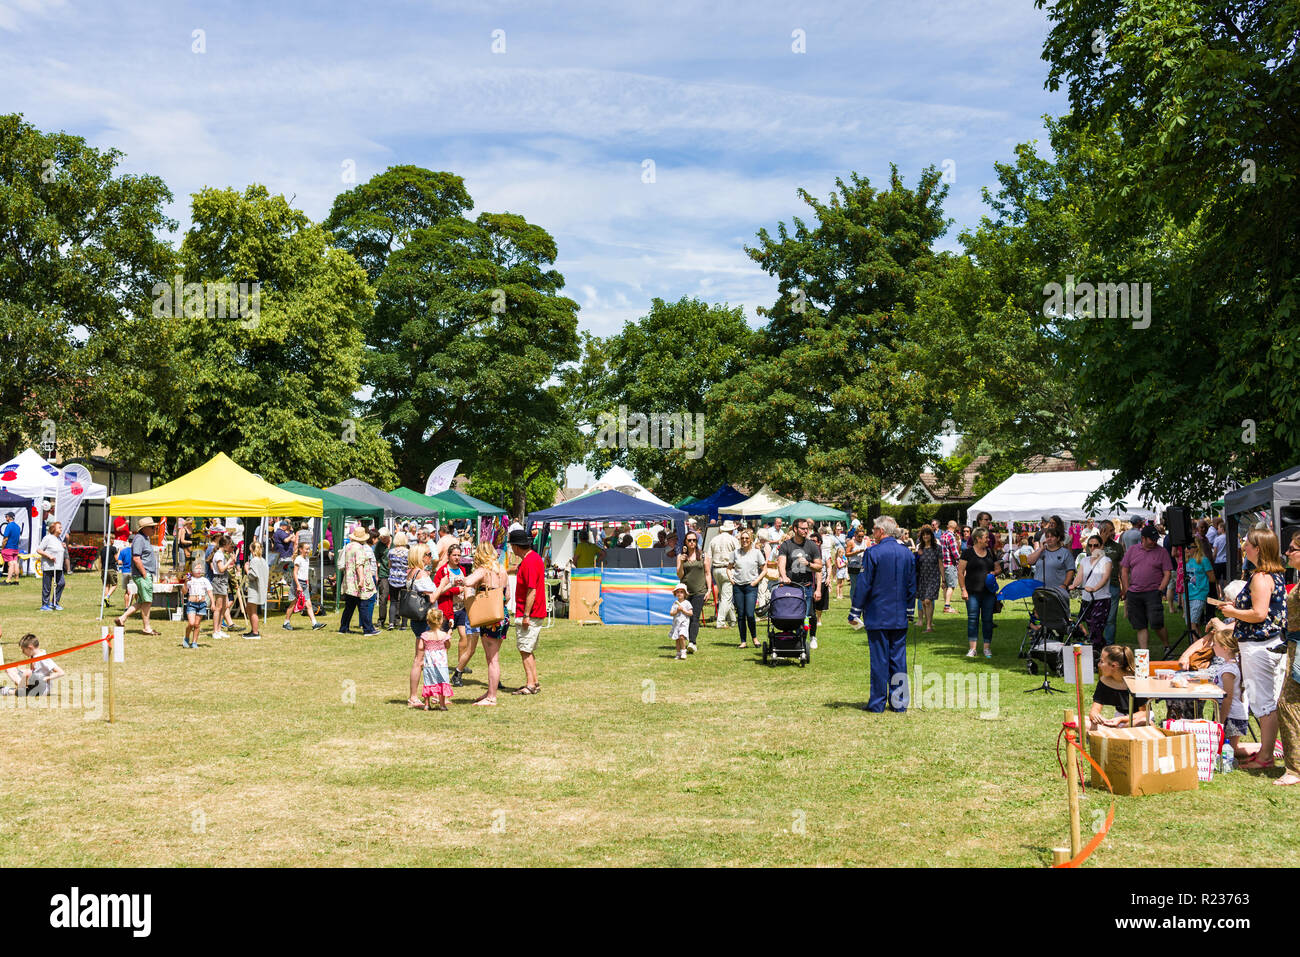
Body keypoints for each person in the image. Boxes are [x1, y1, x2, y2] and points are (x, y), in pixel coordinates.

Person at [1210, 526, 1287, 770]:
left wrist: (1233, 612)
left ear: (1259, 549)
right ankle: (1266, 752)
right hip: (1266, 645)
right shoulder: (1271, 575)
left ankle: (1265, 756)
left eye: (1248, 544)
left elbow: (1259, 613)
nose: (1244, 547)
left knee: (1262, 702)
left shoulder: (1261, 577)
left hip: (1258, 647)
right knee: (1267, 701)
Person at [853, 516, 915, 713]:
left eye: (873, 529)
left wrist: (855, 610)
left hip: (878, 615)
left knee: (879, 659)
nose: (872, 532)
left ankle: (878, 703)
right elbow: (912, 585)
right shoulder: (907, 553)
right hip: (899, 616)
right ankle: (899, 703)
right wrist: (909, 610)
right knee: (899, 659)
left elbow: (864, 584)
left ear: (881, 531)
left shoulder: (873, 552)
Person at [460, 541, 511, 704]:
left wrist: (457, 580)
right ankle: (490, 692)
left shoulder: (484, 569)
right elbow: (508, 595)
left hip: (489, 618)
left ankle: (491, 697)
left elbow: (468, 582)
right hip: (502, 615)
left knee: (492, 659)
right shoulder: (502, 569)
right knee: (493, 657)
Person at [1120, 523, 1173, 650]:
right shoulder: (1133, 550)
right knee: (1140, 625)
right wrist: (1126, 589)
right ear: (1143, 538)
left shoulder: (1162, 552)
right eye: (1151, 539)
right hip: (1134, 593)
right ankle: (1144, 653)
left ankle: (1166, 647)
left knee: (1157, 623)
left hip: (1153, 592)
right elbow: (1124, 569)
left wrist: (1160, 589)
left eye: (1155, 539)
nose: (1154, 542)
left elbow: (1167, 573)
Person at [1205, 622, 1251, 760]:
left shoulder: (1228, 670)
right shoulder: (1231, 665)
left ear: (1224, 648)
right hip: (1234, 713)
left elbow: (1228, 698)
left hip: (1232, 715)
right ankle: (1265, 748)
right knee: (1226, 749)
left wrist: (1221, 720)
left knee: (1228, 751)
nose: (1212, 646)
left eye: (1215, 644)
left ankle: (1267, 748)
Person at [508, 527, 546, 695]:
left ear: (516, 546)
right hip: (534, 611)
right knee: (527, 649)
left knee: (525, 649)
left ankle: (530, 684)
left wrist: (526, 615)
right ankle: (534, 681)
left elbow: (532, 590)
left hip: (530, 612)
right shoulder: (532, 558)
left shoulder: (530, 561)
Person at [1275, 531, 1300, 786]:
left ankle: (1295, 769)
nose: (1288, 552)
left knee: (1288, 704)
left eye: (1293, 549)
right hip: (1294, 644)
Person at [777, 518, 823, 649]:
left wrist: (808, 563)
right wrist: (784, 576)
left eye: (807, 528)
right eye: (803, 528)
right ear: (795, 529)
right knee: (790, 615)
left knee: (806, 616)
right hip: (790, 587)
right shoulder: (786, 545)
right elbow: (781, 563)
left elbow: (819, 567)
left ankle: (803, 642)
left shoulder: (811, 545)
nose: (806, 530)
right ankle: (792, 641)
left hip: (806, 587)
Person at [958, 526, 1000, 658]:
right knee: (972, 620)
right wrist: (963, 590)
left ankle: (987, 648)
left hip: (988, 593)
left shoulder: (990, 552)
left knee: (988, 620)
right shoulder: (967, 553)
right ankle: (973, 649)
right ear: (978, 538)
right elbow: (960, 572)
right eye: (986, 537)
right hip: (972, 592)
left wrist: (994, 572)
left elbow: (998, 568)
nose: (988, 540)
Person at [114, 518, 161, 635]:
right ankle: (147, 628)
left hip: (143, 574)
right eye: (152, 527)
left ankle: (122, 618)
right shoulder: (140, 539)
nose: (154, 529)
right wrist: (144, 573)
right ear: (144, 528)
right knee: (147, 601)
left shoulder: (144, 538)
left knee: (141, 601)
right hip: (142, 574)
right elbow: (136, 558)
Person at [405, 544, 436, 707]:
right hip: (425, 619)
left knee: (425, 658)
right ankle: (414, 696)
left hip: (417, 619)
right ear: (420, 556)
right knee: (420, 659)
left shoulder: (411, 572)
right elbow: (432, 598)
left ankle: (432, 694)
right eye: (428, 554)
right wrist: (445, 584)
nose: (430, 557)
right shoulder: (421, 573)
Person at [1088, 645, 1149, 729]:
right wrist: (1094, 714)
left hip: (1138, 720)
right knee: (1076, 721)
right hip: (1118, 722)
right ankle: (1116, 734)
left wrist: (1121, 720)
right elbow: (1096, 707)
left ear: (1114, 665)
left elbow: (1144, 712)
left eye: (1101, 662)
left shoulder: (1136, 681)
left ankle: (1114, 734)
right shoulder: (1104, 681)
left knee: (1141, 722)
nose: (1098, 665)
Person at [1074, 533, 1113, 656]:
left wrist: (1094, 588)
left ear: (1101, 546)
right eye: (1090, 546)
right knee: (1090, 627)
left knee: (1097, 626)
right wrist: (1073, 585)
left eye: (1096, 545)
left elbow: (1105, 578)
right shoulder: (1084, 560)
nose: (1093, 548)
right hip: (1087, 599)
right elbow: (1079, 576)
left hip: (1101, 598)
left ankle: (1096, 652)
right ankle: (1103, 651)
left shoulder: (1106, 561)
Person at [338, 525, 379, 636]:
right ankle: (368, 629)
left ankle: (343, 627)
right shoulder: (360, 548)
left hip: (349, 580)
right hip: (358, 580)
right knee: (364, 604)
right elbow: (359, 564)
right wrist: (361, 580)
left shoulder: (348, 546)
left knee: (349, 606)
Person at [675, 530, 710, 655]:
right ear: (685, 542)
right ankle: (684, 642)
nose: (692, 542)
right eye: (689, 540)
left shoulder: (703, 555)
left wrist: (709, 589)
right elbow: (679, 575)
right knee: (684, 618)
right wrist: (681, 563)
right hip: (685, 592)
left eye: (694, 540)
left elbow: (707, 573)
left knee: (694, 617)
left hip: (699, 591)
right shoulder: (681, 557)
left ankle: (692, 642)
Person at [730, 527, 764, 649]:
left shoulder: (756, 552)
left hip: (751, 586)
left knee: (750, 614)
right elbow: (729, 567)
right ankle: (743, 641)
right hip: (738, 587)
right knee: (741, 615)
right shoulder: (735, 553)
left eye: (746, 538)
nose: (744, 540)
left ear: (751, 540)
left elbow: (764, 569)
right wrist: (731, 578)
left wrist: (756, 581)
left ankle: (754, 638)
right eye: (742, 538)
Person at [1024, 516, 1075, 593]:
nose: (1049, 539)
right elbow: (1029, 561)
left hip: (1057, 591)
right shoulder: (1041, 551)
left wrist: (1065, 585)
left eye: (1052, 537)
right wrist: (1041, 549)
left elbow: (1070, 570)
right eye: (1047, 537)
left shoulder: (1065, 552)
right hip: (1039, 590)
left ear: (1058, 538)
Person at [283, 541, 326, 631]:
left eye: (308, 549)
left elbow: (305, 573)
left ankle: (315, 624)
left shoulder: (307, 559)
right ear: (300, 549)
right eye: (306, 549)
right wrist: (298, 586)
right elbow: (295, 573)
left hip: (304, 584)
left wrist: (307, 583)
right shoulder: (298, 559)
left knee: (309, 605)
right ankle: (286, 623)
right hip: (297, 583)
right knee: (293, 603)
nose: (308, 550)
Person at [417, 607, 454, 711]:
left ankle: (427, 704)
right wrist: (449, 636)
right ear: (441, 621)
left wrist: (426, 646)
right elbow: (448, 646)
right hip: (441, 664)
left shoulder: (425, 635)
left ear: (428, 622)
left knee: (428, 682)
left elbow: (420, 647)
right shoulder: (443, 635)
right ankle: (442, 705)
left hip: (429, 664)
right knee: (442, 681)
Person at [1184, 535, 1220, 633]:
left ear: (1197, 548)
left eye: (1189, 547)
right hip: (1187, 595)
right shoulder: (1185, 561)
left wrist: (1203, 587)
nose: (1186, 549)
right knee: (1191, 623)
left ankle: (1194, 646)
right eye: (1185, 547)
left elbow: (1212, 578)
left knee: (1192, 623)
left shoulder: (1203, 560)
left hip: (1199, 595)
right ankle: (1199, 643)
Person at [707, 520, 739, 629]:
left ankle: (732, 620)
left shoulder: (714, 539)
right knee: (726, 597)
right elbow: (738, 556)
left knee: (724, 596)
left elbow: (709, 557)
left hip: (716, 569)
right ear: (731, 530)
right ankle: (720, 622)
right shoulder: (733, 540)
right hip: (728, 569)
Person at [1099, 520, 1125, 644]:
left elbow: (1122, 569)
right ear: (1102, 531)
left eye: (1113, 530)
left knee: (1111, 618)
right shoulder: (1093, 544)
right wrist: (1102, 542)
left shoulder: (1117, 547)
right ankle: (1097, 641)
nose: (1113, 533)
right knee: (1097, 617)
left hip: (1113, 586)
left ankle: (1109, 644)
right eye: (1110, 531)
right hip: (1097, 588)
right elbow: (1093, 558)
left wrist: (1124, 586)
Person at [914, 525, 941, 633]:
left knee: (928, 600)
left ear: (931, 535)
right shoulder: (919, 548)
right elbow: (915, 563)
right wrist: (918, 555)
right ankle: (928, 623)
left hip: (933, 577)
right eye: (924, 534)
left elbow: (941, 564)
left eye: (927, 534)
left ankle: (929, 625)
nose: (925, 536)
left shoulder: (937, 548)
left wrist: (943, 579)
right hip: (921, 577)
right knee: (923, 602)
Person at [36, 520, 66, 612]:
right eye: (59, 527)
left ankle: (54, 603)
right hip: (49, 566)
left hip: (58, 566)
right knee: (47, 586)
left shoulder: (59, 539)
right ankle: (44, 605)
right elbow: (39, 550)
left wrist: (62, 546)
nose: (61, 529)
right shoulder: (48, 538)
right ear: (54, 529)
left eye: (61, 527)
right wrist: (49, 556)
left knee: (61, 583)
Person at [208, 534, 234, 639]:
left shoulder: (221, 554)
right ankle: (215, 631)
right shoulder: (219, 555)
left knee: (224, 606)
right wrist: (230, 561)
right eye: (230, 545)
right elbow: (221, 569)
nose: (231, 547)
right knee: (218, 608)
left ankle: (219, 629)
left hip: (222, 580)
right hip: (219, 580)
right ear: (226, 544)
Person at [182, 558, 212, 649]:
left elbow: (210, 591)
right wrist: (185, 583)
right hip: (191, 604)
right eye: (196, 569)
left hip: (201, 604)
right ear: (192, 570)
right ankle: (186, 637)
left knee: (197, 624)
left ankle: (194, 642)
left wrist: (212, 603)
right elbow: (184, 592)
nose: (199, 570)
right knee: (191, 623)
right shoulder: (190, 580)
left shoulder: (205, 580)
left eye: (200, 568)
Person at [245, 541, 268, 640]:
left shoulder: (254, 560)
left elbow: (252, 575)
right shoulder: (263, 560)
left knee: (253, 611)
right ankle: (253, 629)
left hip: (255, 588)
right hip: (260, 588)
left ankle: (255, 632)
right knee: (249, 608)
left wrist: (247, 569)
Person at [386, 531, 409, 630]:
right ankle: (403, 624)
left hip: (393, 579)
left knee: (393, 601)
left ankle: (391, 623)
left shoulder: (391, 551)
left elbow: (389, 565)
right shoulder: (408, 552)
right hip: (404, 579)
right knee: (405, 602)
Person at [373, 527, 393, 631]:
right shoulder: (379, 545)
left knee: (396, 598)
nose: (382, 540)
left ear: (389, 536)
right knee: (383, 597)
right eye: (381, 538)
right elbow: (375, 559)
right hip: (383, 574)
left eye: (384, 538)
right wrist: (377, 574)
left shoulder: (395, 542)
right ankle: (381, 620)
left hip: (395, 574)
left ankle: (394, 620)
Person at [939, 520, 960, 614]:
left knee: (945, 585)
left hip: (943, 564)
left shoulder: (942, 535)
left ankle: (947, 605)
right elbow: (954, 552)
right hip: (950, 563)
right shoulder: (951, 536)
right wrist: (960, 561)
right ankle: (947, 607)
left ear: (948, 526)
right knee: (951, 586)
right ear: (955, 527)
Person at [669, 582, 693, 659]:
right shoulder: (675, 604)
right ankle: (678, 652)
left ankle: (683, 651)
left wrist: (683, 611)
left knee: (682, 636)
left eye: (681, 592)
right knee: (677, 638)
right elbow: (671, 613)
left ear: (685, 594)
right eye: (678, 592)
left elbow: (690, 613)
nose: (679, 594)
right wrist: (677, 611)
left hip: (684, 623)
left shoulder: (687, 603)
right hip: (676, 623)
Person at [272, 520, 295, 585]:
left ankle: (286, 580)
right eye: (286, 526)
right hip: (284, 553)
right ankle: (284, 580)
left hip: (285, 553)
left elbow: (293, 539)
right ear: (283, 526)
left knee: (286, 567)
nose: (287, 527)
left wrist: (291, 533)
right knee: (285, 567)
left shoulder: (281, 532)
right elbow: (286, 540)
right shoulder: (280, 532)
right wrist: (291, 536)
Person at [2, 511, 22, 584]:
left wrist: (3, 547)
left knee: (10, 564)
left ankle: (8, 580)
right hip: (15, 549)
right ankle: (16, 580)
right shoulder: (18, 527)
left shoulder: (9, 526)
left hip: (8, 548)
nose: (6, 518)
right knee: (15, 563)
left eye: (6, 516)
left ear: (9, 517)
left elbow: (5, 539)